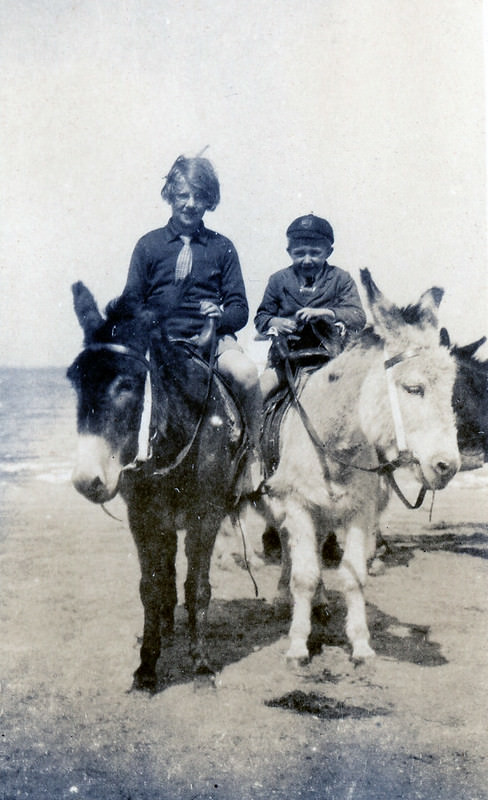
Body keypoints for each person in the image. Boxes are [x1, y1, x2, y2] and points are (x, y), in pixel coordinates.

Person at [121, 154, 263, 493]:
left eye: (199, 196)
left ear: (209, 200)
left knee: (245, 373)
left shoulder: (222, 247)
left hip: (213, 341)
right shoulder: (149, 245)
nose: (190, 203)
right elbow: (131, 301)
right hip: (162, 342)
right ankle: (124, 460)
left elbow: (240, 308)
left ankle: (251, 456)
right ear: (170, 194)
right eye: (183, 194)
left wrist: (220, 315)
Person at [254, 214, 367, 398]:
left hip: (330, 359)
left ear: (328, 252)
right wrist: (275, 322)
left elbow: (358, 316)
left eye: (315, 253)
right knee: (259, 392)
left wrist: (327, 313)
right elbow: (261, 318)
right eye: (299, 253)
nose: (307, 260)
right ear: (289, 252)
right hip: (286, 360)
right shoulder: (278, 280)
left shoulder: (341, 279)